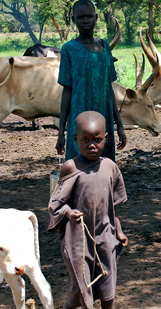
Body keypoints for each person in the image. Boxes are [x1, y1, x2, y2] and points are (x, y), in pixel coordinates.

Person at [48, 111, 128, 309]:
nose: (91, 145)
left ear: (105, 139)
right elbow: (56, 202)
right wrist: (68, 213)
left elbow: (113, 206)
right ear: (75, 139)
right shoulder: (71, 167)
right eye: (85, 140)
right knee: (81, 285)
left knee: (108, 281)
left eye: (97, 139)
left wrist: (119, 230)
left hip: (105, 235)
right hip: (79, 240)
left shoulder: (110, 167)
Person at [55, 0, 126, 161]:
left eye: (89, 16)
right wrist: (61, 132)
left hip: (104, 116)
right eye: (80, 17)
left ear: (95, 17)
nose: (85, 20)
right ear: (74, 21)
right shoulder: (69, 49)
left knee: (104, 165)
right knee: (77, 165)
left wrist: (119, 125)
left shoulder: (105, 47)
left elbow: (109, 89)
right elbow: (67, 92)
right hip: (78, 118)